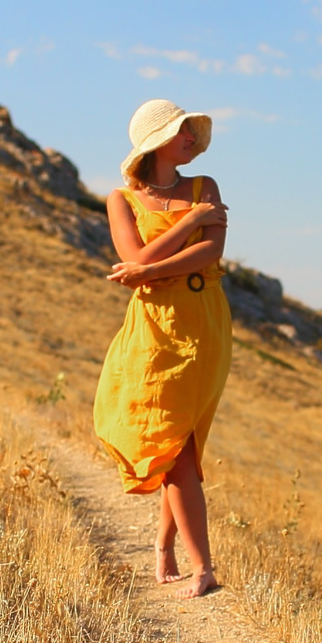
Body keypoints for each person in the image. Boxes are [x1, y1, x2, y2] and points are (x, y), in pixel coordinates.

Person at [93, 98, 232, 598]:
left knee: (185, 445)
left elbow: (209, 253)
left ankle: (167, 547)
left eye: (192, 131)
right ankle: (202, 568)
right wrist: (193, 221)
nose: (192, 139)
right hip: (154, 329)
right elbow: (133, 256)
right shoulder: (121, 200)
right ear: (156, 142)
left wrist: (151, 271)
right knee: (175, 449)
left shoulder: (205, 187)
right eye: (182, 132)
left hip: (206, 322)